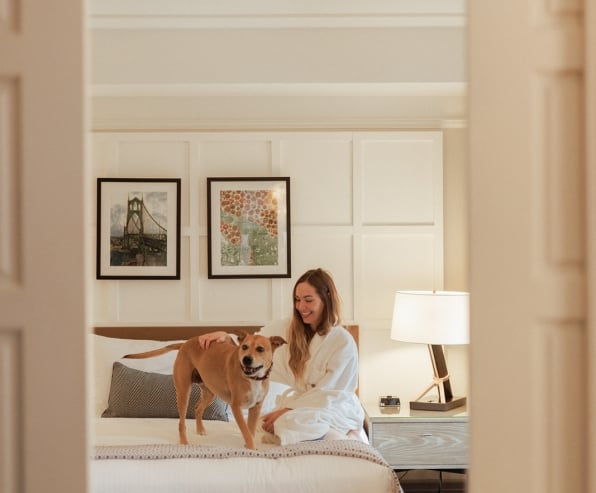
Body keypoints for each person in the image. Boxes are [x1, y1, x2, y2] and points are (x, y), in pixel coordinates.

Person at [199, 268, 365, 445]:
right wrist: (227, 338)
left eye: (308, 300)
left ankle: (337, 441)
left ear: (327, 298)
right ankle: (316, 436)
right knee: (271, 422)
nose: (301, 307)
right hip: (302, 407)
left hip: (334, 406)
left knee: (290, 421)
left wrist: (288, 409)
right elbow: (256, 342)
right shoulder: (288, 328)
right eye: (297, 300)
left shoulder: (342, 341)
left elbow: (331, 392)